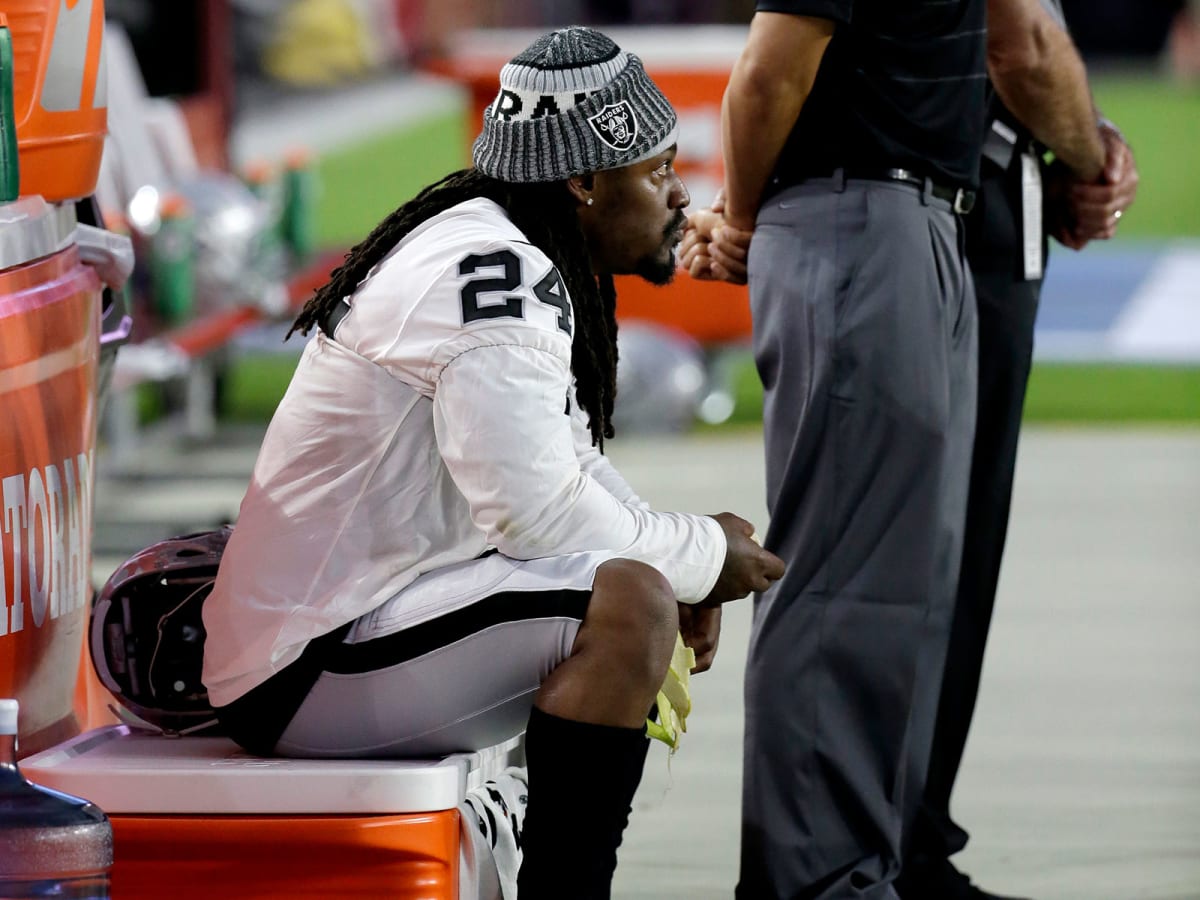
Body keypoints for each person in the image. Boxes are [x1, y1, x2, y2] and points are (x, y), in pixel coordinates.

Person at [199, 26, 784, 899]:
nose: (677, 195)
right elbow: (538, 515)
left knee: (639, 585)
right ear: (584, 180)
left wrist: (683, 562)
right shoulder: (494, 271)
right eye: (657, 171)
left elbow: (570, 472)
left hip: (348, 625)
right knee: (628, 606)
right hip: (308, 660)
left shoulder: (502, 245)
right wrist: (697, 557)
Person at [680, 1, 1109, 897]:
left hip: (916, 216)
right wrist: (742, 223)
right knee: (844, 584)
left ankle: (861, 869)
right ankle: (816, 881)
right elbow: (768, 72)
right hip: (858, 215)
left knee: (893, 594)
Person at [900, 4, 1140, 898]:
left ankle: (896, 841)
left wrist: (1084, 145)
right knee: (929, 559)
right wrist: (1089, 156)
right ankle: (879, 849)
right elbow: (1025, 45)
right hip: (957, 200)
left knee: (934, 557)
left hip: (965, 190)